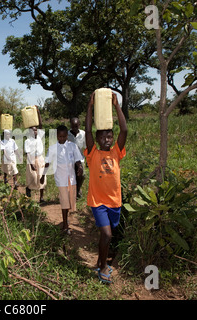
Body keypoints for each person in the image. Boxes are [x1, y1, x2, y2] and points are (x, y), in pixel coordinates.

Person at [84, 90, 127, 284]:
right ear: (97, 139)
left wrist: (117, 105)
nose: (107, 140)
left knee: (109, 235)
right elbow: (87, 130)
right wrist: (90, 106)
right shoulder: (93, 153)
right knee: (107, 234)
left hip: (114, 201)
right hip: (98, 201)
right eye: (103, 137)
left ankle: (100, 262)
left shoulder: (117, 152)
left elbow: (124, 130)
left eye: (110, 137)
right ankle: (102, 268)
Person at [41, 125, 83, 234]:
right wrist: (42, 175)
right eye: (60, 136)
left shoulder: (72, 146)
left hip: (71, 178)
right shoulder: (53, 148)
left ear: (67, 135)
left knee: (69, 201)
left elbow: (78, 159)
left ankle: (66, 218)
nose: (62, 138)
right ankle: (65, 225)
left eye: (64, 136)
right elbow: (47, 163)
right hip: (61, 179)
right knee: (64, 202)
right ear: (57, 136)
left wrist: (80, 167)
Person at [24, 106, 46, 202]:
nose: (35, 131)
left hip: (40, 159)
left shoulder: (39, 137)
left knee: (41, 177)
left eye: (36, 129)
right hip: (31, 160)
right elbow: (28, 153)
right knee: (32, 177)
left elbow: (40, 124)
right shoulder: (28, 141)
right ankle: (28, 189)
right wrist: (31, 163)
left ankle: (41, 198)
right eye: (33, 130)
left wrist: (38, 113)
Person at [68, 117, 86, 199]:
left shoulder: (83, 134)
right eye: (72, 126)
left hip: (80, 158)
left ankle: (78, 188)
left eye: (76, 126)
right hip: (70, 159)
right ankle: (73, 191)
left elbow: (85, 147)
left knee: (82, 175)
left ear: (79, 125)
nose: (74, 128)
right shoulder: (67, 134)